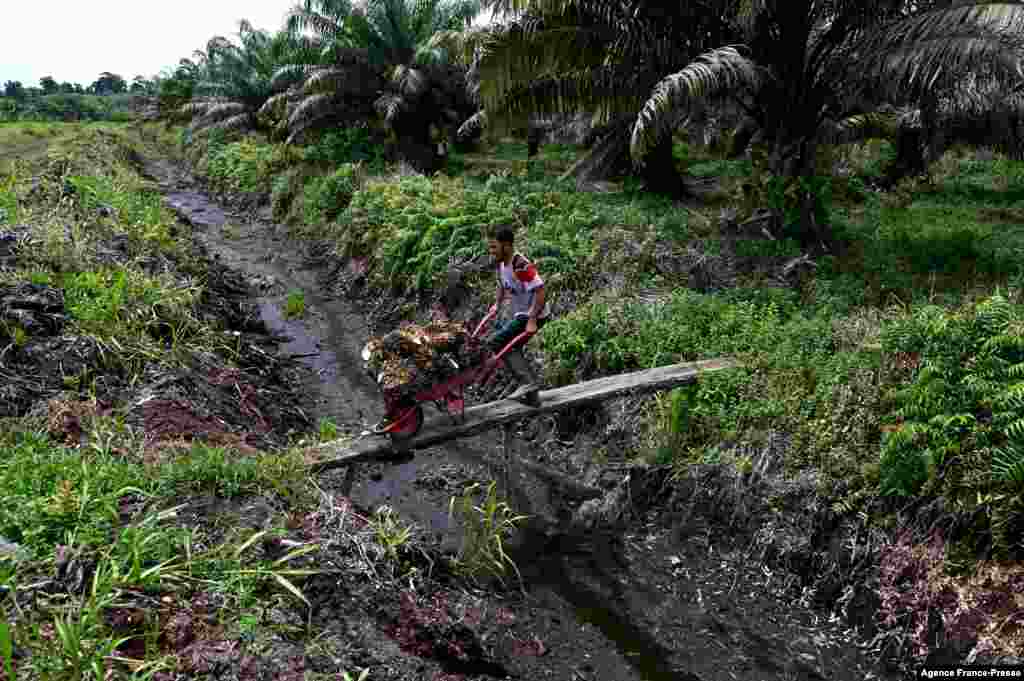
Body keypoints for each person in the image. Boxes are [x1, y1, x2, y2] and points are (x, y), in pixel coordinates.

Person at [485, 224, 550, 407]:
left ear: (506, 245)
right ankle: (533, 398)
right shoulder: (502, 263)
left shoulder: (520, 265)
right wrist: (497, 304)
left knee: (497, 342)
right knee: (509, 345)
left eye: (494, 247)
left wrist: (532, 319)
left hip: (534, 314)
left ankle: (528, 383)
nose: (491, 251)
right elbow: (501, 284)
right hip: (521, 313)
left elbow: (541, 291)